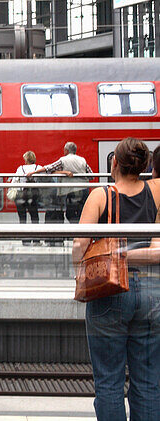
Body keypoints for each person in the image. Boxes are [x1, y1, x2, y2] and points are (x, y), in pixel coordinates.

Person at [72, 137, 160, 421]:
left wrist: (103, 261)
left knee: (109, 382)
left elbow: (78, 246)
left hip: (109, 294)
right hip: (151, 292)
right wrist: (131, 254)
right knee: (147, 382)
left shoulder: (100, 194)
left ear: (115, 163)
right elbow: (157, 253)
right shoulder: (156, 193)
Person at [11, 151, 41, 242]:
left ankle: (25, 240)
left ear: (26, 159)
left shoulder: (20, 168)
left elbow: (14, 181)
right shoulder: (38, 167)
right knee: (35, 217)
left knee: (22, 218)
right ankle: (36, 240)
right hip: (33, 196)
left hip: (22, 196)